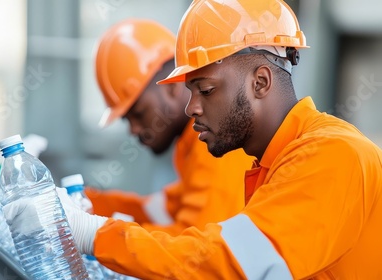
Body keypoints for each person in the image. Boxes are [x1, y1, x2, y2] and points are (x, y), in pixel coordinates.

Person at [56, 0, 382, 279]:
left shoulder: (333, 155)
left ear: (261, 82)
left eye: (206, 90)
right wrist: (84, 207)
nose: (191, 107)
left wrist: (93, 234)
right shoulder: (276, 164)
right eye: (189, 91)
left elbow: (225, 263)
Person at [85, 19, 254, 235]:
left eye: (138, 113)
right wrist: (85, 202)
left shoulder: (218, 144)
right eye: (126, 119)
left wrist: (97, 235)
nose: (134, 130)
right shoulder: (193, 143)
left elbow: (193, 251)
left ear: (172, 86)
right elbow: (160, 209)